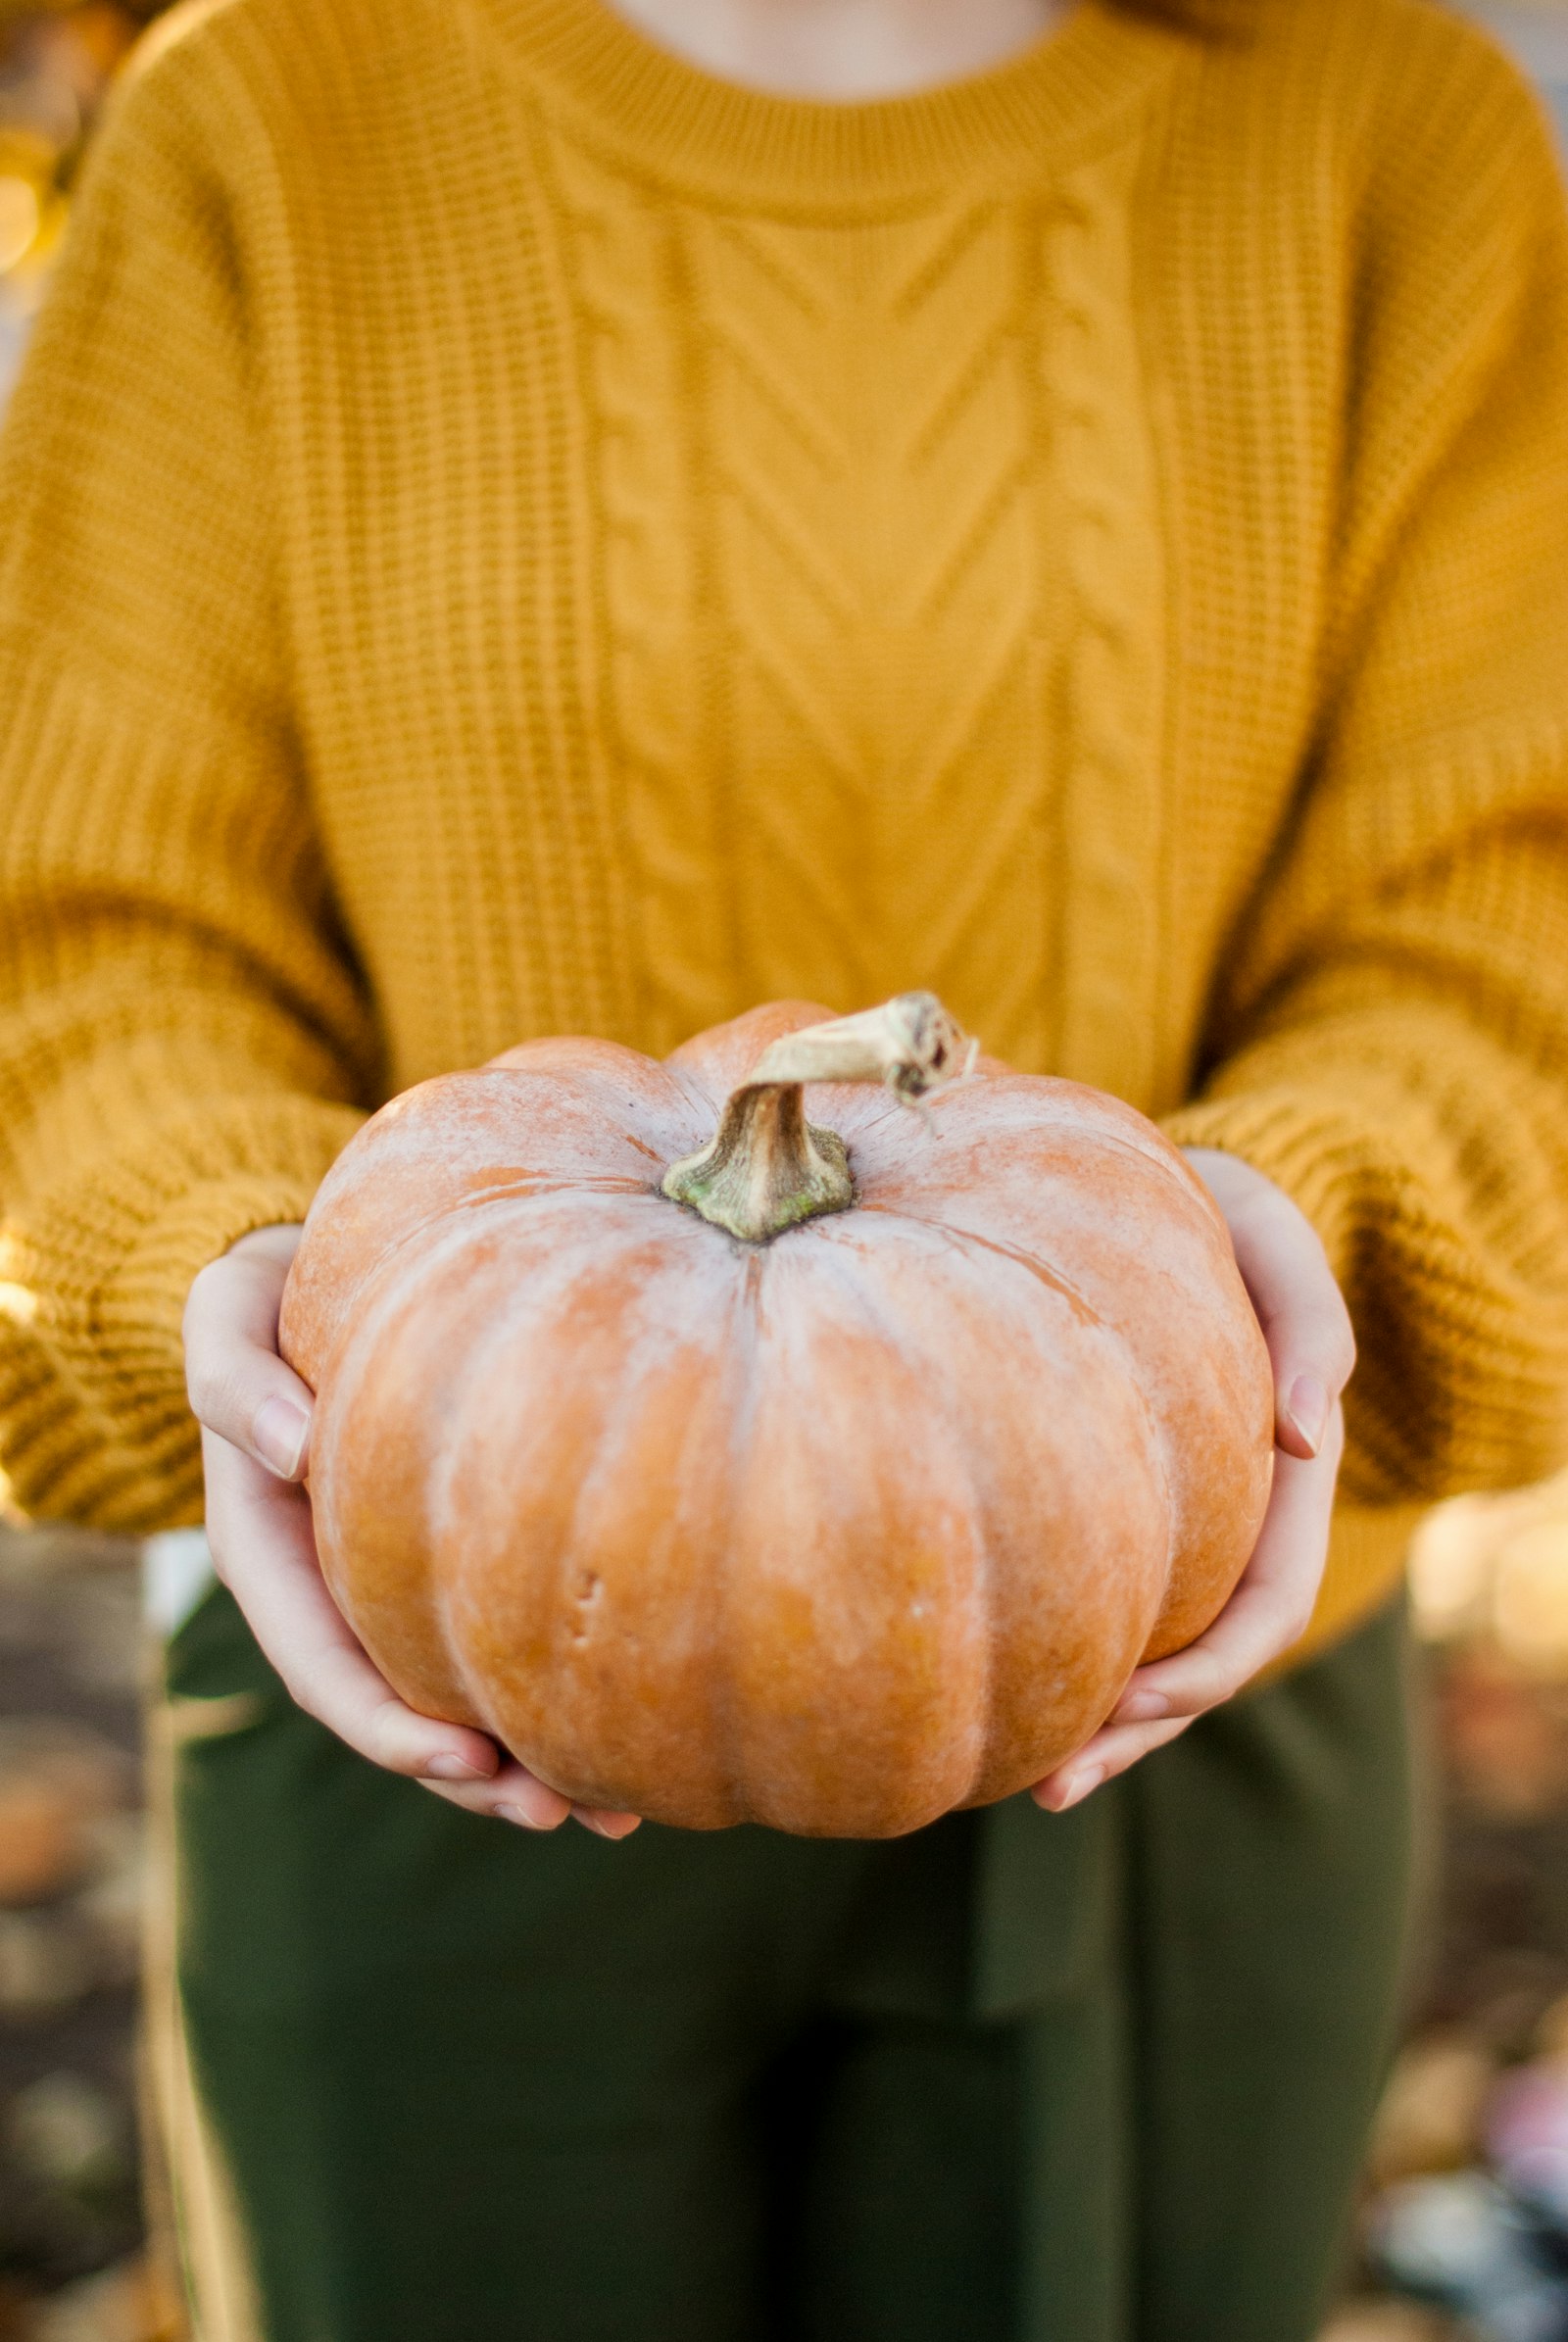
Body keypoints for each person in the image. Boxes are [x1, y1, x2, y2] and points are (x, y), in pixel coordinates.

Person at [1, 0, 1566, 2331]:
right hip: (424, 1647)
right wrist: (231, 1259)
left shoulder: (1376, 132)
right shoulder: (276, 112)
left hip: (1166, 1681)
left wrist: (1257, 1249)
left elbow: (1500, 903)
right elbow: (90, 938)